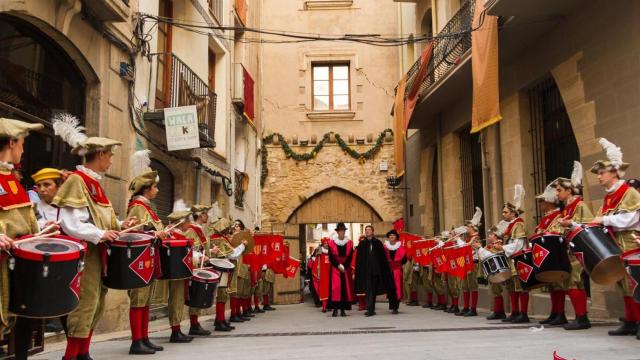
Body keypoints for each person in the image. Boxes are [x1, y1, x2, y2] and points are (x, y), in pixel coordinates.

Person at [51, 114, 137, 360]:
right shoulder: (78, 181)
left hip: (98, 253)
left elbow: (100, 219)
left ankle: (83, 353)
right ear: (100, 155)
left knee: (97, 303)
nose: (111, 161)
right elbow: (70, 223)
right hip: (85, 255)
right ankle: (71, 356)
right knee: (85, 305)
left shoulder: (95, 184)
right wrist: (101, 234)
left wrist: (121, 224)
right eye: (109, 155)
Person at [0, 118, 50, 360]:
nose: (23, 149)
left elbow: (24, 219)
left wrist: (42, 229)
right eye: (21, 144)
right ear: (11, 142)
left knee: (23, 318)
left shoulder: (11, 179)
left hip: (17, 261)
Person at [588, 138, 640, 338]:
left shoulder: (629, 192)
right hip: (614, 243)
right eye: (598, 173)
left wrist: (605, 220)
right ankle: (631, 320)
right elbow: (600, 219)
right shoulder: (608, 195)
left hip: (630, 241)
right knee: (622, 283)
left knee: (635, 282)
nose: (599, 177)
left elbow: (631, 218)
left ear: (615, 172)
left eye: (602, 173)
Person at [125, 150, 169, 354]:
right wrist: (155, 234)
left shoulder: (148, 208)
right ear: (147, 189)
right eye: (155, 187)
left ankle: (144, 338)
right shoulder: (137, 207)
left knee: (146, 301)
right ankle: (136, 341)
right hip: (138, 262)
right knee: (138, 300)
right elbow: (133, 233)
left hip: (149, 259)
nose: (158, 190)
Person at [554, 161, 594, 330]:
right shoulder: (568, 208)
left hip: (578, 249)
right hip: (570, 250)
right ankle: (581, 316)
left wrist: (569, 224)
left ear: (569, 190)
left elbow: (589, 224)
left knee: (574, 281)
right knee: (574, 282)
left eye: (559, 190)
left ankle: (581, 317)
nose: (556, 194)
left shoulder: (580, 206)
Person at [31, 167, 66, 333]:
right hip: (39, 261)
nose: (42, 189)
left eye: (47, 184)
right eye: (39, 185)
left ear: (58, 186)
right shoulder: (32, 208)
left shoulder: (69, 208)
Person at [490, 185, 530, 324]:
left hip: (519, 260)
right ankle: (515, 312)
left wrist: (503, 247)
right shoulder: (511, 226)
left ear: (513, 213)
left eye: (505, 212)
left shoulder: (518, 225)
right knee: (512, 287)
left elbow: (518, 245)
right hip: (510, 260)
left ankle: (523, 314)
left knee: (521, 288)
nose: (503, 214)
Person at [533, 183, 565, 326]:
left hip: (555, 253)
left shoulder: (558, 215)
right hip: (547, 253)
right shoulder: (546, 217)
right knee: (551, 284)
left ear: (549, 201)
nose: (540, 203)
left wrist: (542, 233)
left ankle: (561, 313)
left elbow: (558, 232)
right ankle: (554, 312)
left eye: (542, 200)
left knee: (558, 284)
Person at [163, 204, 195, 343]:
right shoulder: (175, 236)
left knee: (178, 300)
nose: (189, 223)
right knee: (176, 300)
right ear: (182, 222)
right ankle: (175, 331)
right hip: (177, 274)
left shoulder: (178, 234)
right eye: (188, 221)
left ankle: (177, 329)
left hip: (179, 273)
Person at [354, 225, 397, 316]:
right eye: (366, 230)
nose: (367, 231)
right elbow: (359, 259)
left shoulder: (378, 243)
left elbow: (382, 258)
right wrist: (358, 271)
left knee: (373, 290)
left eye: (369, 230)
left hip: (376, 271)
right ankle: (370, 308)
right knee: (368, 290)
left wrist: (384, 270)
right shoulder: (362, 244)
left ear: (372, 232)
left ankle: (371, 308)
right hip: (366, 271)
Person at [209, 218, 243, 331]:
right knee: (222, 295)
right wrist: (243, 245)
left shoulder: (214, 238)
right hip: (222, 268)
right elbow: (233, 254)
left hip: (218, 267)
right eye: (228, 227)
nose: (229, 229)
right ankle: (220, 321)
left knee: (221, 295)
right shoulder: (221, 239)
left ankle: (220, 320)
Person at [185, 204, 214, 336]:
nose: (207, 216)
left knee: (198, 295)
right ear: (201, 215)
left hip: (201, 264)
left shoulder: (200, 229)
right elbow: (191, 247)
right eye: (206, 214)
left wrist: (209, 252)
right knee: (195, 295)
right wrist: (202, 254)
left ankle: (195, 323)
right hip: (195, 265)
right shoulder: (192, 229)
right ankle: (193, 324)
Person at [477, 224, 508, 320]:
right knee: (495, 291)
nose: (488, 237)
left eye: (490, 235)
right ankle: (499, 311)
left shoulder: (498, 245)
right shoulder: (491, 246)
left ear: (495, 236)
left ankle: (499, 312)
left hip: (497, 270)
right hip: (493, 270)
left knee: (497, 290)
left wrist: (480, 248)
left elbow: (488, 256)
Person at [459, 207, 482, 317]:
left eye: (468, 226)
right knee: (465, 286)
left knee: (472, 285)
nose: (466, 228)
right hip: (466, 263)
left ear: (472, 227)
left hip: (473, 263)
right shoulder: (469, 237)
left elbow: (467, 248)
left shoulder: (475, 238)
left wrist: (458, 240)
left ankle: (473, 309)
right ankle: (466, 307)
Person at [327, 223, 355, 317]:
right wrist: (338, 265)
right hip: (335, 268)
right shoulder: (331, 243)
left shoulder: (349, 243)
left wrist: (344, 266)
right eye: (340, 231)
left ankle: (343, 310)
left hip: (345, 269)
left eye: (343, 230)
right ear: (337, 232)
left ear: (344, 231)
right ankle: (335, 310)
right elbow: (331, 257)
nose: (341, 232)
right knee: (335, 289)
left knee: (344, 290)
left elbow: (350, 256)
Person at [384, 229, 407, 314]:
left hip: (397, 270)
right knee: (390, 289)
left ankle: (395, 307)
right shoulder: (385, 247)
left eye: (393, 236)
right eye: (390, 236)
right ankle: (391, 305)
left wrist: (399, 265)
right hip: (389, 271)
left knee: (397, 288)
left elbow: (405, 259)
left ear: (396, 237)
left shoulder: (400, 247)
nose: (391, 237)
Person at [317, 238, 331, 312]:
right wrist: (318, 273)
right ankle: (324, 307)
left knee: (331, 290)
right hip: (323, 274)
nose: (326, 244)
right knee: (324, 290)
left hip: (330, 274)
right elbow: (317, 263)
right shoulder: (320, 252)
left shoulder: (331, 252)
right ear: (322, 244)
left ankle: (330, 306)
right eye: (325, 243)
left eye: (327, 243)